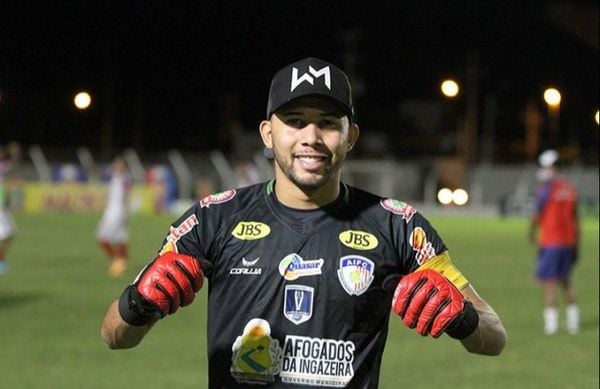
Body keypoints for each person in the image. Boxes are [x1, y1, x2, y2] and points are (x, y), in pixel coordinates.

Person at [101, 57, 507, 387]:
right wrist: (138, 301)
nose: (311, 136)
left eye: (329, 123)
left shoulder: (398, 226)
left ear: (350, 136)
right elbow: (115, 335)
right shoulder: (212, 218)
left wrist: (462, 318)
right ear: (267, 133)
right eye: (294, 120)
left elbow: (493, 337)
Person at [529, 149, 580, 335]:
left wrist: (531, 232)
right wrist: (577, 245)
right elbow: (576, 220)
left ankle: (551, 326)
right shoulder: (569, 189)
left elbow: (536, 214)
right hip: (568, 242)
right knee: (566, 281)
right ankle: (573, 323)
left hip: (551, 241)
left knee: (549, 282)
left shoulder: (546, 189)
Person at [96, 156, 131, 277]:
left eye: (119, 165)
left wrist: (125, 211)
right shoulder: (115, 177)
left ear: (124, 167)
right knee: (121, 237)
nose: (116, 166)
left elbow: (126, 195)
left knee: (101, 237)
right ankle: (121, 262)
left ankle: (116, 261)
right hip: (115, 210)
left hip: (116, 212)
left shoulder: (124, 178)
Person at [0, 146, 17, 274]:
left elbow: (9, 168)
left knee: (9, 233)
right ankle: (1, 262)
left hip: (3, 206)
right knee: (7, 233)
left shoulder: (3, 167)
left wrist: (15, 154)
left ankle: (2, 261)